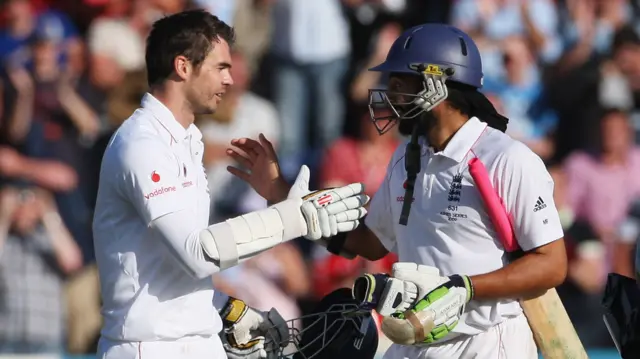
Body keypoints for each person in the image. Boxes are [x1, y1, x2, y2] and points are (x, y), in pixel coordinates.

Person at [230, 24, 568, 359]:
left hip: (485, 342)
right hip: (414, 340)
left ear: (435, 85)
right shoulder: (407, 156)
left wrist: (465, 289)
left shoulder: (506, 159)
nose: (387, 95)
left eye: (397, 84)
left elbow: (552, 265)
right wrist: (283, 197)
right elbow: (371, 242)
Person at [92, 9, 369, 359]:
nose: (231, 79)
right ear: (183, 67)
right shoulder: (142, 144)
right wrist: (294, 218)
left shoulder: (184, 139)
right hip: (150, 348)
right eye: (220, 67)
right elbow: (196, 254)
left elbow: (173, 265)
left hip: (193, 343)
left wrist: (227, 308)